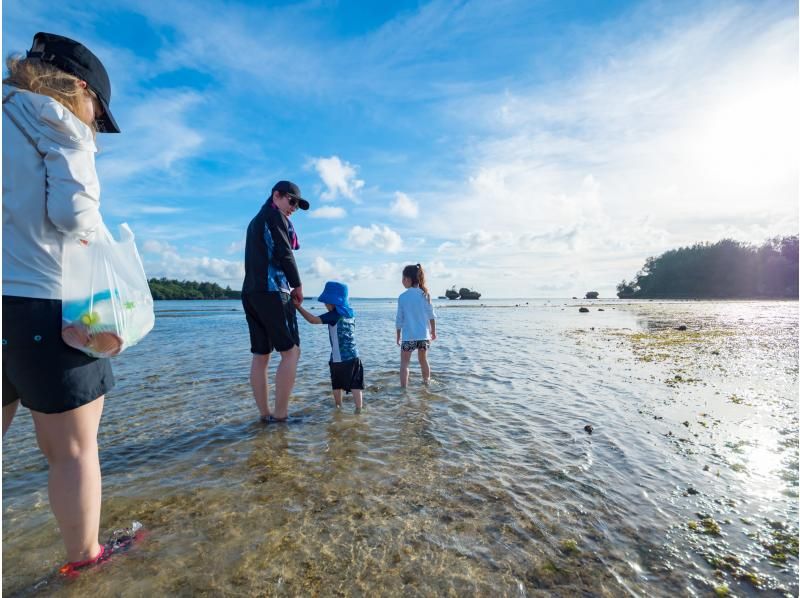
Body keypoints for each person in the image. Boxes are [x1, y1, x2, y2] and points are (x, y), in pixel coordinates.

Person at [2, 32, 139, 575]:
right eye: (98, 115)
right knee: (74, 451)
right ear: (79, 88)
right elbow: (73, 216)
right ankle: (86, 561)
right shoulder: (55, 120)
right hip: (43, 302)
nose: (96, 127)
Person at [242, 180, 310, 422]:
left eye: (297, 205)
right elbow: (284, 252)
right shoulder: (275, 217)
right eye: (291, 201)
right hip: (272, 291)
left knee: (261, 355)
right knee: (291, 352)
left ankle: (264, 415)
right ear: (276, 195)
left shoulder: (255, 221)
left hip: (251, 292)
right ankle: (281, 416)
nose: (294, 208)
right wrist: (297, 284)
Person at [294, 281, 364, 413]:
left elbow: (313, 320)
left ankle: (338, 407)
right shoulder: (350, 314)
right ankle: (359, 409)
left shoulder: (334, 315)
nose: (325, 305)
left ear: (333, 301)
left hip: (337, 359)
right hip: (354, 357)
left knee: (336, 384)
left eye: (326, 302)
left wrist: (298, 307)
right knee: (356, 384)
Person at [395, 264, 437, 387]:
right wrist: (433, 332)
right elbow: (432, 316)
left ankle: (404, 390)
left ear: (408, 279)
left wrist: (398, 335)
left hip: (409, 337)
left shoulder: (403, 297)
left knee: (404, 364)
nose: (402, 281)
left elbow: (399, 319)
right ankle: (426, 384)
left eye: (403, 279)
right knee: (423, 361)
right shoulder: (425, 295)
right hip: (424, 336)